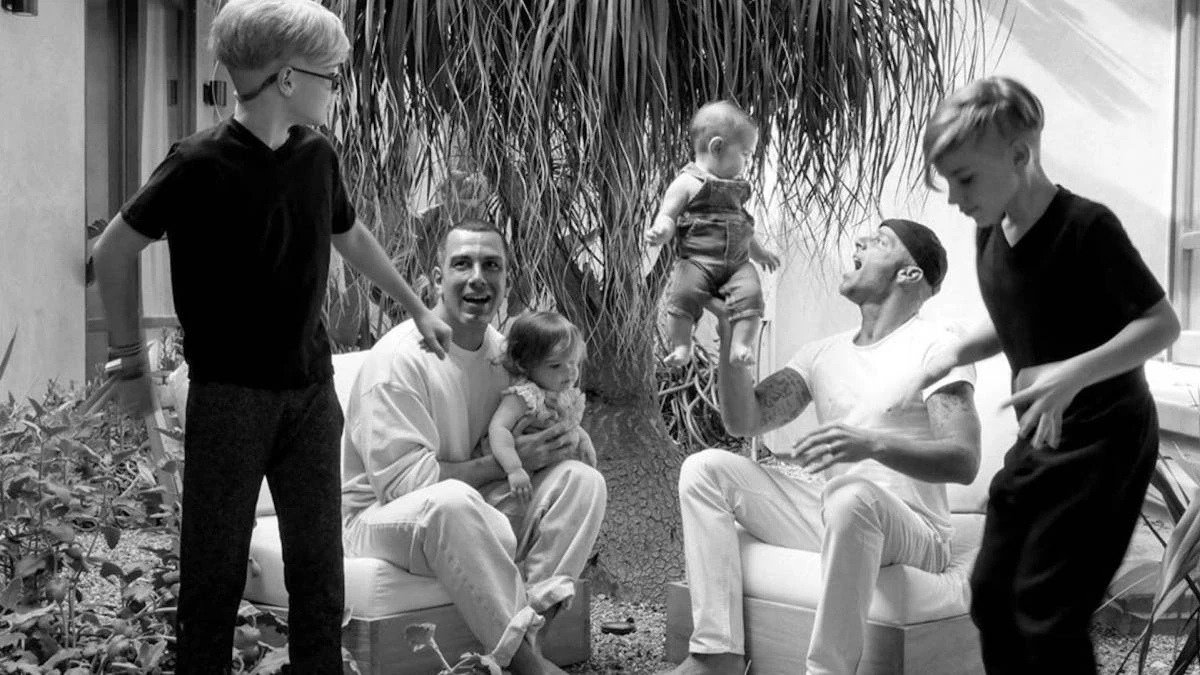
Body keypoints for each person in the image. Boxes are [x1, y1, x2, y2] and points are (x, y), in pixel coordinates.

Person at [90, 1, 452, 670]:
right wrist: (128, 360)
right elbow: (112, 251)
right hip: (229, 399)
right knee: (213, 578)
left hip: (310, 394)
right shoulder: (197, 162)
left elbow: (348, 233)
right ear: (287, 79)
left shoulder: (317, 156)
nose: (336, 89)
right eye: (330, 76)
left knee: (320, 575)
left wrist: (416, 307)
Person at [918, 76, 1181, 673]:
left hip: (1106, 442)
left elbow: (1160, 324)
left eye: (965, 179)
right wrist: (954, 352)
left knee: (1047, 608)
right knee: (991, 593)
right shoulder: (990, 230)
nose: (955, 198)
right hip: (1042, 438)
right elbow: (1021, 312)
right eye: (948, 181)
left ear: (1019, 156)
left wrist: (1071, 374)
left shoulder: (1087, 228)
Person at [670, 219, 982, 675]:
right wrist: (731, 331)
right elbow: (745, 420)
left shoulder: (937, 347)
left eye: (880, 241)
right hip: (835, 512)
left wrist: (872, 444)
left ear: (910, 273)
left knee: (851, 497)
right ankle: (717, 655)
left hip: (917, 531)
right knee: (705, 469)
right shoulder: (822, 354)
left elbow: (964, 460)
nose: (859, 242)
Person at [341, 219, 608, 675]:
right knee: (452, 503)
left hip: (477, 503)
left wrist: (557, 444)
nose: (478, 277)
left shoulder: (507, 357)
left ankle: (530, 634)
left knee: (583, 482)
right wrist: (506, 463)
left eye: (491, 265)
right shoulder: (399, 361)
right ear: (437, 277)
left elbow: (528, 426)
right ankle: (527, 666)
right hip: (380, 518)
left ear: (506, 282)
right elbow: (405, 487)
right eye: (462, 264)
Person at [645, 100, 780, 368]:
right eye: (745, 153)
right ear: (717, 147)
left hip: (737, 264)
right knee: (682, 296)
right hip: (698, 261)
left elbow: (743, 226)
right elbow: (668, 215)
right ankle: (682, 345)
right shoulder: (687, 182)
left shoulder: (735, 188)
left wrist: (760, 253)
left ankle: (742, 344)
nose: (747, 161)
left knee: (752, 294)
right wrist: (662, 230)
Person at [489, 311, 598, 502]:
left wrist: (584, 440)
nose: (570, 371)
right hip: (515, 481)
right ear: (525, 364)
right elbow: (498, 428)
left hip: (548, 472)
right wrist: (514, 468)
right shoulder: (524, 396)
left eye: (573, 362)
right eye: (555, 365)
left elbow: (567, 424)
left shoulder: (562, 395)